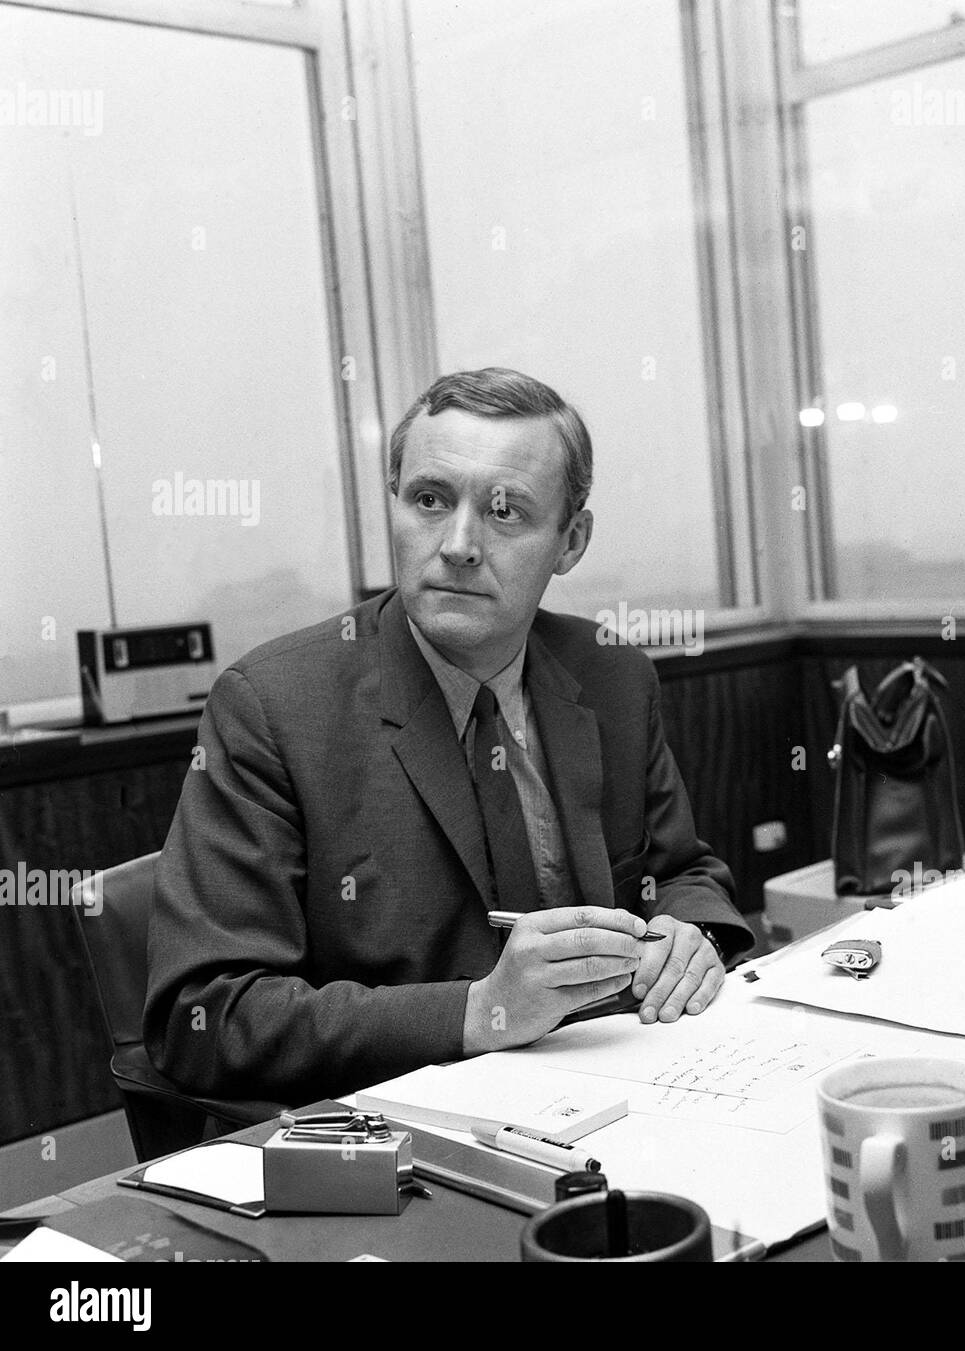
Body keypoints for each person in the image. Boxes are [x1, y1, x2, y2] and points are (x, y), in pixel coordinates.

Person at [144, 367, 752, 1105]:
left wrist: (691, 935)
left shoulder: (612, 674)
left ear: (571, 541)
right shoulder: (273, 708)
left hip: (625, 1094)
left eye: (505, 513)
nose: (459, 543)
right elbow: (206, 1016)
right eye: (430, 500)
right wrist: (481, 1009)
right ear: (394, 506)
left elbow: (682, 871)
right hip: (404, 1141)